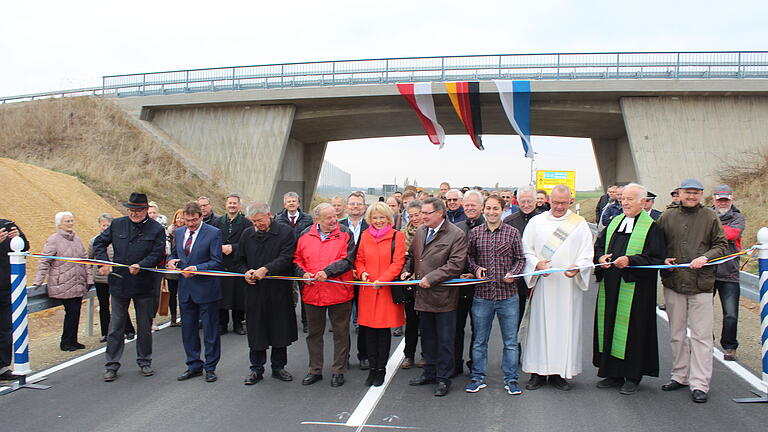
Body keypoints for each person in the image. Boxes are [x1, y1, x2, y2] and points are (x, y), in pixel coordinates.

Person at [657, 178, 727, 404]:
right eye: (688, 192)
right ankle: (679, 375)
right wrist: (662, 259)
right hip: (674, 282)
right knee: (676, 334)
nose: (692, 196)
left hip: (701, 284)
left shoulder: (710, 216)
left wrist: (705, 258)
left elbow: (721, 245)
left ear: (701, 195)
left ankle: (700, 383)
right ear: (679, 193)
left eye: (696, 193)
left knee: (701, 336)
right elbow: (656, 244)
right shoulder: (667, 217)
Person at [593, 183, 666, 395]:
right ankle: (613, 373)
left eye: (630, 199)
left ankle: (632, 376)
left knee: (633, 331)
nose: (624, 202)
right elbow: (599, 245)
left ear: (643, 202)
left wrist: (631, 260)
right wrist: (601, 258)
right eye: (623, 198)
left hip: (636, 289)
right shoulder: (615, 222)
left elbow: (656, 258)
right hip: (611, 285)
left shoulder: (652, 227)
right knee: (610, 327)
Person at [521, 184, 594, 391]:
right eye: (555, 202)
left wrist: (578, 267)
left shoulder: (579, 225)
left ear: (570, 201)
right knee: (539, 328)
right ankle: (537, 372)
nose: (559, 207)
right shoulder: (536, 222)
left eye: (563, 203)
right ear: (548, 201)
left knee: (564, 328)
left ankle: (558, 373)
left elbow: (587, 254)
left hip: (568, 287)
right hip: (544, 284)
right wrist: (536, 264)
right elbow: (526, 250)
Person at [94, 192, 166, 382]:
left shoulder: (156, 228)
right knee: (116, 326)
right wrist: (103, 262)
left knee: (144, 326)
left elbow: (158, 253)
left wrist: (142, 265)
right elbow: (99, 243)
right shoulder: (117, 224)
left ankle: (144, 361)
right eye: (131, 210)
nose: (134, 213)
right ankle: (111, 365)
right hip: (119, 283)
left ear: (145, 210)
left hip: (144, 284)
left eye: (138, 210)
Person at [401, 197, 468, 397]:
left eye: (427, 213)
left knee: (445, 341)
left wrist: (432, 277)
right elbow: (412, 256)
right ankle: (429, 372)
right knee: (428, 338)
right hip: (423, 296)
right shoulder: (421, 231)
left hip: (444, 298)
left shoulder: (456, 235)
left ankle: (443, 378)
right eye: (422, 212)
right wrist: (407, 270)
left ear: (440, 213)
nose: (423, 216)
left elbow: (456, 264)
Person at [465, 195, 526, 395]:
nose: (491, 212)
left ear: (502, 210)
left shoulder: (512, 233)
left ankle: (511, 379)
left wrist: (514, 274)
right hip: (482, 296)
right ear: (483, 209)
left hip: (508, 296)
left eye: (495, 209)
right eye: (488, 208)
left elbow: (520, 259)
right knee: (480, 340)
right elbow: (470, 257)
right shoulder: (475, 233)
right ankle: (477, 377)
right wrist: (475, 269)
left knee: (510, 341)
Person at [294, 203, 357, 388]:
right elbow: (297, 259)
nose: (334, 220)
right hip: (313, 291)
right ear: (317, 220)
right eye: (328, 218)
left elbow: (348, 260)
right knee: (314, 333)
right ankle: (315, 369)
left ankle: (339, 370)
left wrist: (328, 272)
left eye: (335, 216)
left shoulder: (346, 233)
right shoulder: (304, 234)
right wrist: (302, 274)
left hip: (339, 291)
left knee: (340, 332)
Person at [237, 202, 298, 385]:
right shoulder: (247, 234)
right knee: (256, 331)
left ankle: (278, 367)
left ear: (269, 215)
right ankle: (256, 368)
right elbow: (239, 259)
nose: (257, 225)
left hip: (278, 291)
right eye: (254, 222)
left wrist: (267, 269)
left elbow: (287, 258)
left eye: (260, 220)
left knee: (279, 329)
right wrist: (245, 272)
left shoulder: (285, 232)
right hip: (255, 291)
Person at [167, 201, 223, 383]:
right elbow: (174, 253)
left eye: (194, 220)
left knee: (210, 330)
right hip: (185, 289)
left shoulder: (213, 233)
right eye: (187, 220)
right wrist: (170, 261)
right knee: (188, 330)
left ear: (201, 216)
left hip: (207, 288)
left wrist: (197, 268)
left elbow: (217, 261)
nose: (190, 224)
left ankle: (210, 367)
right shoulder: (180, 231)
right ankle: (193, 364)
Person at [355, 202, 406, 386]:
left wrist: (383, 279)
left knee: (383, 332)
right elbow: (359, 259)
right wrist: (362, 273)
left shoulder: (397, 236)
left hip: (385, 290)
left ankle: (381, 369)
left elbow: (398, 263)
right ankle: (372, 368)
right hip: (368, 289)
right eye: (374, 218)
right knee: (368, 331)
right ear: (369, 219)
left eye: (381, 217)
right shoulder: (364, 236)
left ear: (388, 218)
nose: (378, 221)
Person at [34, 212, 94, 351]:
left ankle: (73, 340)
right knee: (72, 312)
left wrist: (89, 278)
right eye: (68, 221)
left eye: (72, 220)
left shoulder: (77, 239)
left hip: (78, 283)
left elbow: (85, 259)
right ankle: (65, 342)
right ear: (59, 223)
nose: (71, 223)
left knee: (76, 312)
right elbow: (45, 261)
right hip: (63, 283)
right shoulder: (54, 240)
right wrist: (38, 280)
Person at [89, 214, 137, 342]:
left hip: (117, 277)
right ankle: (106, 332)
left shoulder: (119, 240)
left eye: (107, 225)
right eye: (103, 225)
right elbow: (89, 259)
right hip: (101, 278)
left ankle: (128, 330)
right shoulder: (94, 241)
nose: (105, 228)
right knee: (104, 306)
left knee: (120, 305)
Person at [453, 190, 485, 377]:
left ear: (481, 206)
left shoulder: (488, 227)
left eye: (474, 205)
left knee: (478, 330)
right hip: (458, 287)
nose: (471, 208)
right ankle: (455, 364)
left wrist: (473, 272)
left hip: (480, 288)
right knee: (456, 328)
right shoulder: (456, 227)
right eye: (468, 205)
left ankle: (475, 365)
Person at [503, 185, 543, 336]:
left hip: (538, 277)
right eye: (523, 201)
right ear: (517, 201)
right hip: (516, 280)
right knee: (515, 323)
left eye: (529, 201)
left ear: (536, 201)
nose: (526, 205)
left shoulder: (543, 221)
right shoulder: (508, 221)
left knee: (538, 322)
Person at [711, 184, 744, 362]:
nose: (722, 203)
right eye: (719, 199)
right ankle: (706, 340)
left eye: (726, 200)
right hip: (707, 272)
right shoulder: (706, 215)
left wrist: (712, 231)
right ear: (714, 200)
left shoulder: (738, 217)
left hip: (730, 273)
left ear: (731, 200)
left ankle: (730, 346)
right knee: (704, 311)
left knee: (730, 313)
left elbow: (733, 234)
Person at [275, 191, 313, 333]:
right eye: (288, 201)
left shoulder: (308, 219)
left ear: (298, 203)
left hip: (303, 260)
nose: (291, 203)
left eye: (294, 201)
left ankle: (306, 322)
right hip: (284, 259)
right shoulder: (278, 219)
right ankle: (287, 321)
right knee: (285, 293)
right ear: (284, 204)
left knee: (305, 292)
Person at [212, 193, 250, 335]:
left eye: (235, 203)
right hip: (221, 263)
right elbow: (212, 239)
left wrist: (233, 247)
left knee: (238, 296)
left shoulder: (246, 223)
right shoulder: (218, 221)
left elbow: (248, 242)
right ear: (226, 205)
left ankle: (238, 324)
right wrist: (219, 248)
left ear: (239, 206)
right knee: (220, 295)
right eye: (230, 203)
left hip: (237, 263)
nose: (232, 205)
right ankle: (222, 324)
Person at [340, 191, 370, 368]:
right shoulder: (338, 225)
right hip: (342, 279)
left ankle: (364, 355)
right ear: (346, 207)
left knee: (364, 320)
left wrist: (359, 271)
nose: (355, 207)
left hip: (363, 278)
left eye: (359, 204)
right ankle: (343, 356)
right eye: (352, 204)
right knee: (342, 321)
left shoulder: (371, 226)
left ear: (364, 207)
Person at [0, 220, 28, 381]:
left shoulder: (8, 224)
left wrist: (18, 237)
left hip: (6, 289)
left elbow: (25, 248)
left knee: (5, 329)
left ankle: (3, 366)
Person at [400, 199, 423, 369]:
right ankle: (409, 355)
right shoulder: (402, 234)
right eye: (411, 216)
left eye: (418, 214)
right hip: (408, 283)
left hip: (425, 282)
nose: (415, 218)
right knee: (411, 323)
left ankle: (426, 355)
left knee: (427, 324)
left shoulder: (429, 232)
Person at [164, 209, 185, 327]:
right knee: (172, 294)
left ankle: (183, 316)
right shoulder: (169, 232)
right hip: (171, 266)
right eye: (178, 217)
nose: (180, 220)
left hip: (183, 268)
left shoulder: (187, 232)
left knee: (182, 293)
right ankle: (172, 317)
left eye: (182, 218)